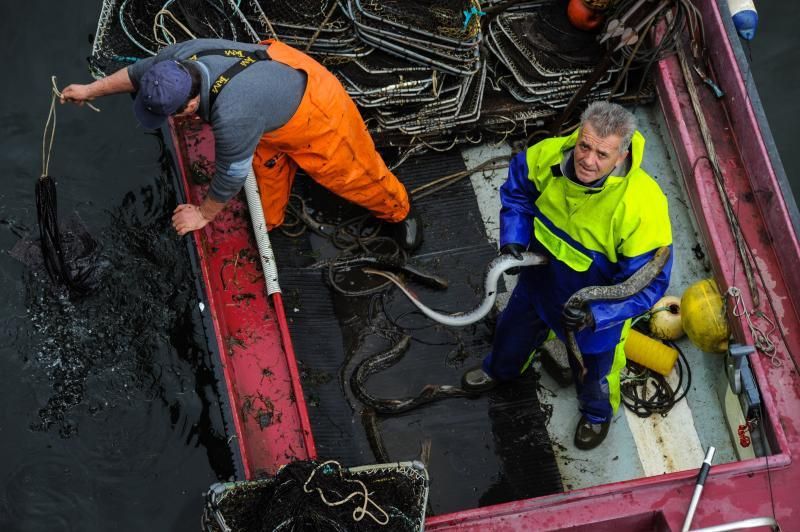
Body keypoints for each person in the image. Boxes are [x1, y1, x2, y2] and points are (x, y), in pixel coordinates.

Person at [60, 38, 422, 250]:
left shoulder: (233, 118)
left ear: (189, 105)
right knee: (267, 173)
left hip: (316, 111)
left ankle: (400, 211)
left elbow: (230, 177)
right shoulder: (177, 62)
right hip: (268, 94)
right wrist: (90, 90)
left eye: (173, 114)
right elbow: (139, 73)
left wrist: (202, 215)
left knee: (355, 175)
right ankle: (273, 221)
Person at [461, 101, 673, 450]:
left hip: (591, 316)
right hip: (537, 286)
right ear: (579, 134)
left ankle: (596, 415)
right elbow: (517, 191)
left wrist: (597, 315)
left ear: (621, 156)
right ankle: (499, 370)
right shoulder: (548, 156)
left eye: (602, 154)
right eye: (584, 145)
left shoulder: (643, 208)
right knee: (510, 335)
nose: (588, 160)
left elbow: (646, 285)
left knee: (596, 375)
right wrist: (514, 239)